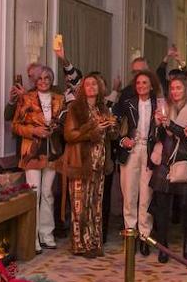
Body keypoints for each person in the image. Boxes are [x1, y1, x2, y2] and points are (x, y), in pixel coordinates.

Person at [11, 65, 66, 251]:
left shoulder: (60, 99)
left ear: (51, 80)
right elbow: (16, 126)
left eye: (47, 78)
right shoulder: (26, 98)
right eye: (40, 79)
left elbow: (63, 123)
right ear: (35, 81)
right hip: (32, 151)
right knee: (34, 193)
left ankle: (46, 233)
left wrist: (56, 128)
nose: (43, 82)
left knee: (48, 193)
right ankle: (32, 237)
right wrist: (34, 130)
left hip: (52, 150)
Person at [61, 74, 117, 257]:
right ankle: (80, 244)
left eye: (95, 84)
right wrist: (92, 130)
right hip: (80, 163)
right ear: (82, 89)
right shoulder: (75, 109)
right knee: (79, 206)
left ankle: (94, 242)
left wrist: (112, 127)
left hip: (99, 164)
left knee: (95, 205)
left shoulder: (104, 109)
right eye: (88, 84)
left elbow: (111, 136)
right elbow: (69, 136)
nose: (91, 87)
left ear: (100, 88)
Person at [148, 74, 187, 263]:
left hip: (185, 161)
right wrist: (158, 124)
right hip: (165, 161)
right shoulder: (166, 107)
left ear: (185, 89)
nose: (175, 91)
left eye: (179, 88)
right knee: (162, 208)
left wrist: (170, 124)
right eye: (172, 88)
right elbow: (160, 137)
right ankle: (163, 247)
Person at [115, 71, 160, 254]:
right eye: (139, 83)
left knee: (146, 195)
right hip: (131, 151)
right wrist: (123, 140)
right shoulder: (127, 104)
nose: (141, 86)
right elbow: (116, 127)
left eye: (145, 83)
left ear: (151, 85)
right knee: (129, 194)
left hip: (149, 151)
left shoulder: (159, 104)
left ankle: (144, 235)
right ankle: (131, 235)